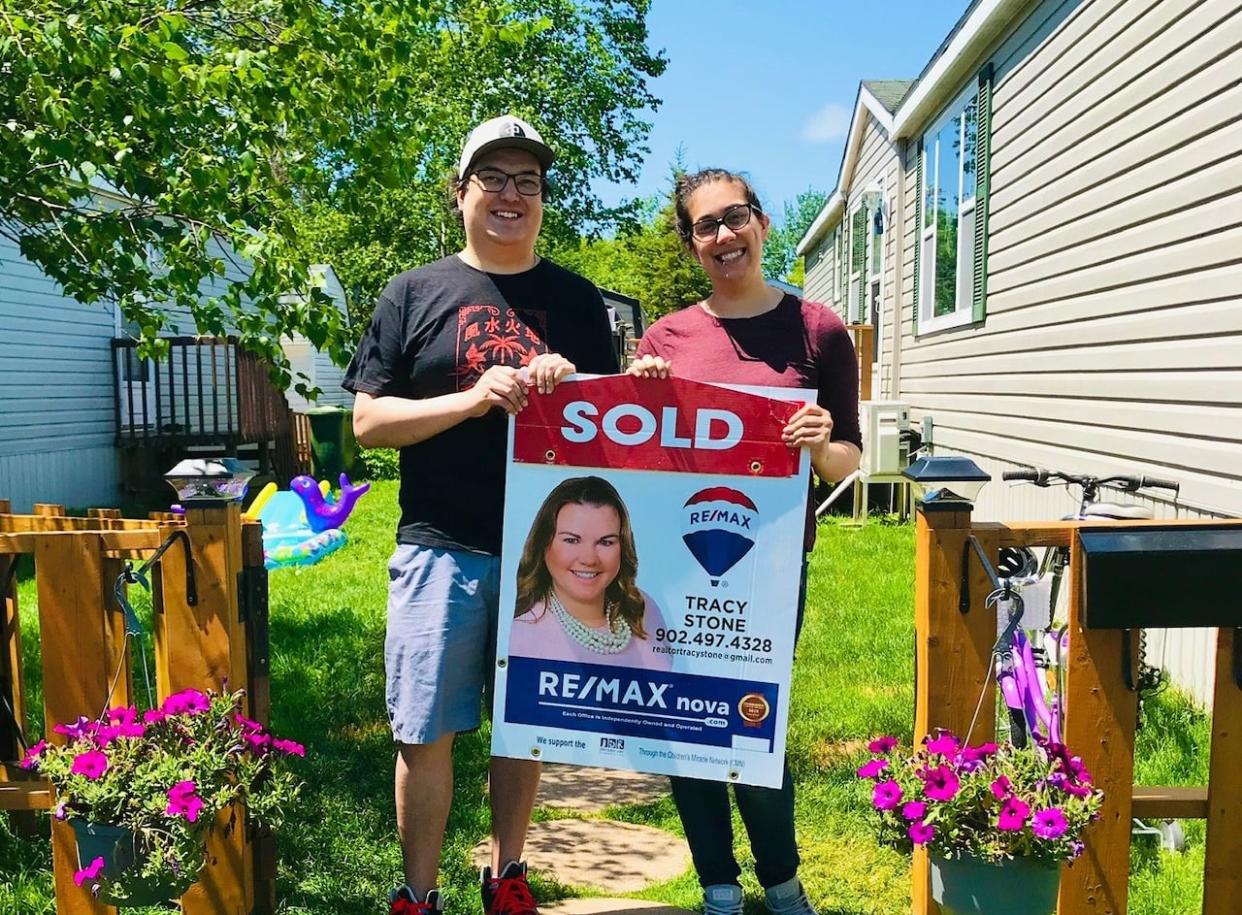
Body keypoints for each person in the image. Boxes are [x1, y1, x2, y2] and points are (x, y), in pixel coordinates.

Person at [344, 115, 620, 915]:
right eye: (492, 178)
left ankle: (507, 876)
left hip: (548, 550)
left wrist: (592, 383)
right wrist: (473, 399)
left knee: (525, 721)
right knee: (424, 729)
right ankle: (419, 893)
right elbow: (367, 423)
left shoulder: (574, 300)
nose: (510, 194)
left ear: (541, 201)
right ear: (460, 193)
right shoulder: (414, 291)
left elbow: (614, 428)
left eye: (526, 182)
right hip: (442, 543)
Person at [627, 168, 862, 915]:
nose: (724, 235)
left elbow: (849, 459)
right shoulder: (667, 335)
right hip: (676, 559)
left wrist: (822, 442)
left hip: (769, 563)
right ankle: (718, 884)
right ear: (691, 243)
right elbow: (633, 458)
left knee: (755, 717)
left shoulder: (819, 329)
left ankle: (782, 878)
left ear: (761, 224)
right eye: (706, 225)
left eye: (735, 217)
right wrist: (640, 390)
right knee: (686, 720)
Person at [508, 476, 670, 670]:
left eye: (606, 542)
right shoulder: (521, 633)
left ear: (623, 548)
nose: (589, 559)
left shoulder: (643, 610)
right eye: (571, 540)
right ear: (543, 544)